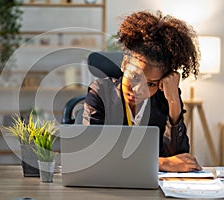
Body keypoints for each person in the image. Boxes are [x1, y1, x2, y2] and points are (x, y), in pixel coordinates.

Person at [82, 10, 202, 172]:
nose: (139, 90)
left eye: (151, 84)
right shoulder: (100, 92)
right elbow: (93, 155)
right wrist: (161, 163)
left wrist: (174, 102)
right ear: (125, 64)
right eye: (136, 77)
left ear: (161, 83)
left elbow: (179, 157)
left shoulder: (164, 97)